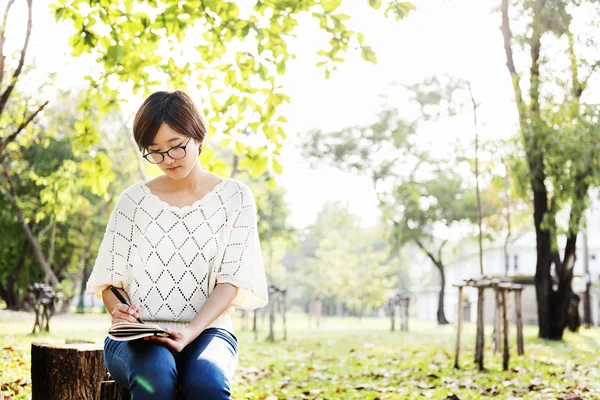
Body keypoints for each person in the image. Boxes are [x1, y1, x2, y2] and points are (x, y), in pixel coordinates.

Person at [85, 90, 268, 399]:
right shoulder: (133, 201)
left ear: (198, 137)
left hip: (209, 333)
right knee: (154, 376)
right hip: (136, 340)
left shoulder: (235, 198)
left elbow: (231, 281)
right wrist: (121, 312)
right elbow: (109, 283)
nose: (166, 160)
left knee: (207, 382)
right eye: (154, 151)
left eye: (175, 147)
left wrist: (191, 331)